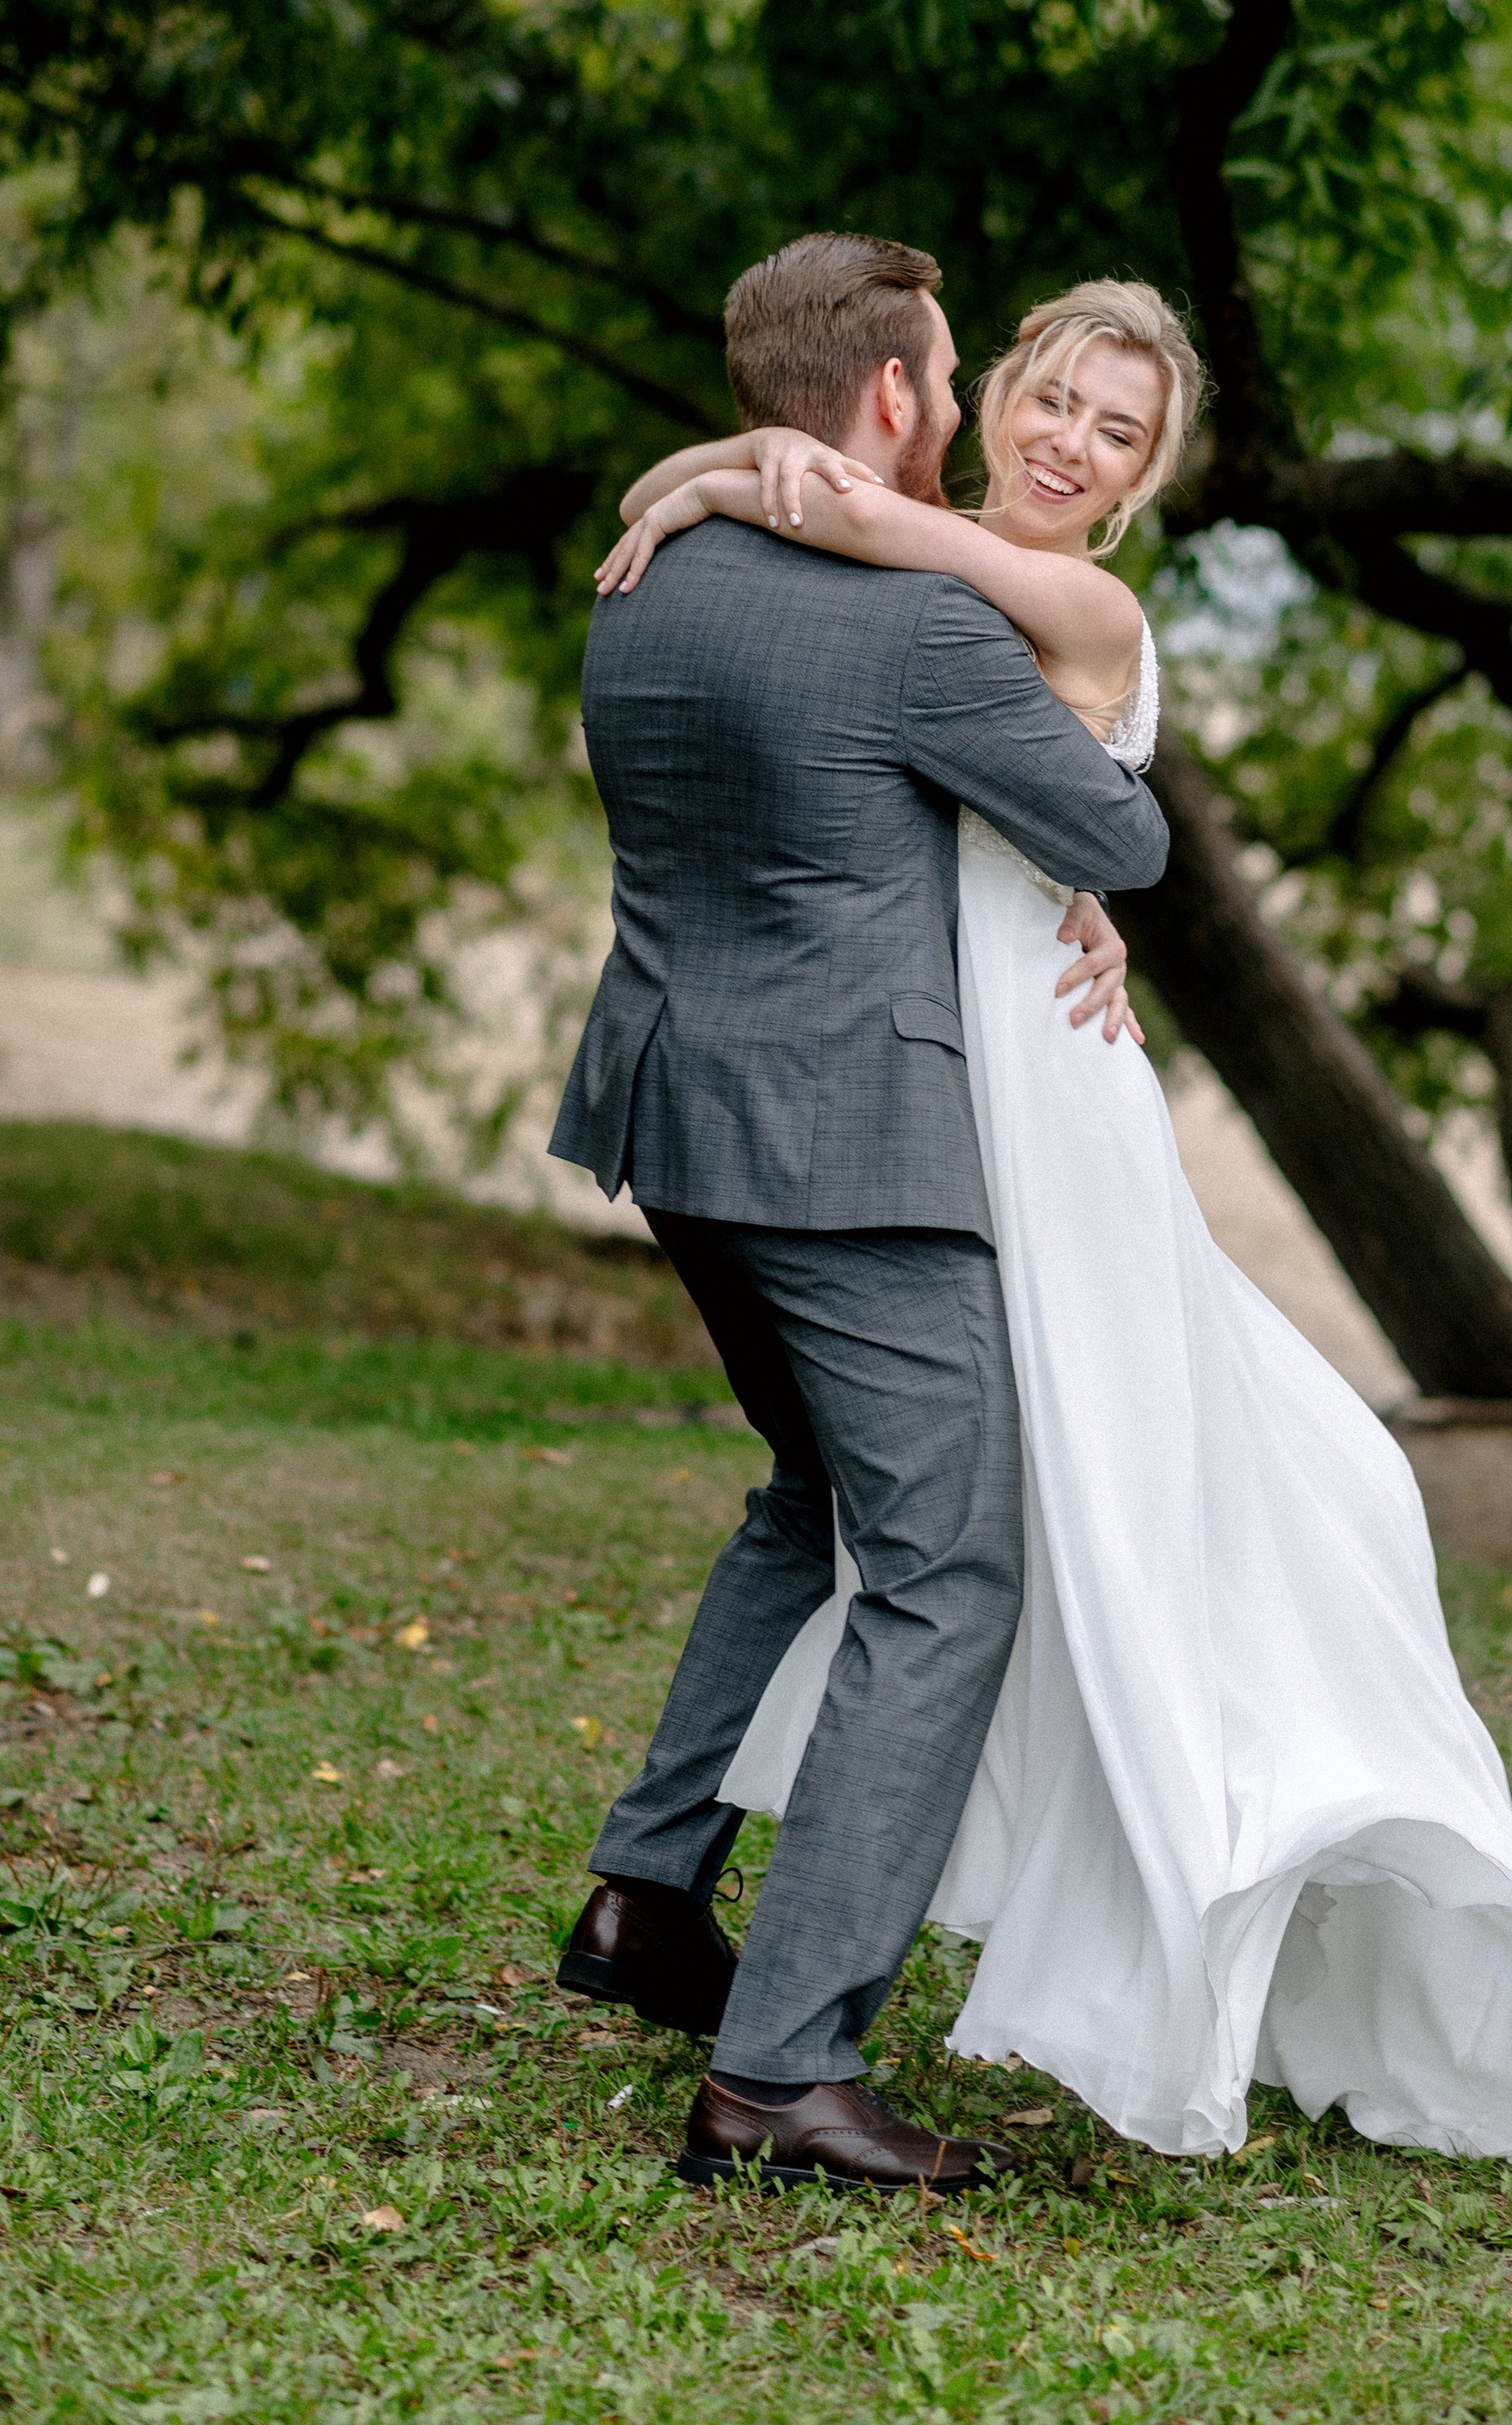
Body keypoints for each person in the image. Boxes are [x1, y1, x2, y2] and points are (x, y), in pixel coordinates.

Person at [593, 274, 1512, 2184]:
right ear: (964, 399)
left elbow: (928, 603)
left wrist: (729, 475)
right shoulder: (910, 572)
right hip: (913, 1097)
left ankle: (1118, 1861)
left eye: (1112, 431)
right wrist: (726, 470)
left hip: (1020, 1107)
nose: (1062, 437)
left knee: (1127, 1501)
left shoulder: (1067, 599)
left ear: (1145, 479)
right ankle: (704, 1954)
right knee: (888, 1517)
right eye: (1044, 395)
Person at [549, 235, 1169, 2197]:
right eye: (980, 374)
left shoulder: (642, 585)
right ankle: (779, 2069)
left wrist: (703, 473)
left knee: (810, 1487)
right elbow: (1122, 832)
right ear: (898, 398)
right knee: (946, 1567)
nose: (1022, 412)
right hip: (851, 1147)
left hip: (670, 1112)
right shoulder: (914, 627)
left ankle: (647, 1896)